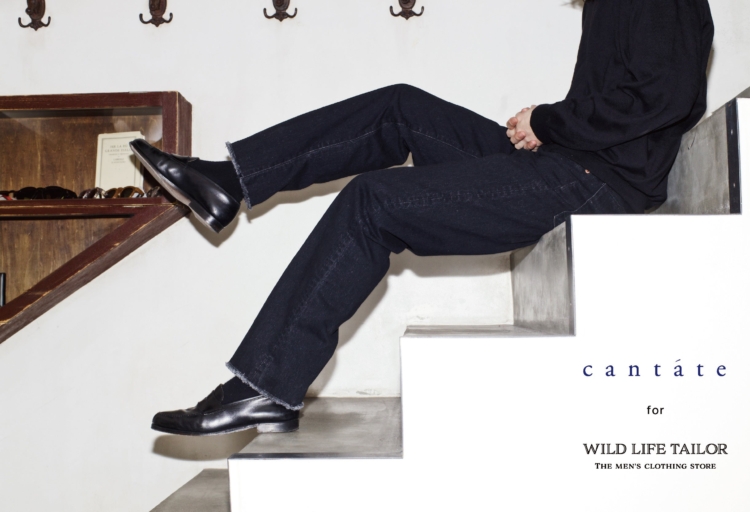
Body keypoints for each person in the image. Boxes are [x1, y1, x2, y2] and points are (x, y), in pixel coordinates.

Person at [130, 0, 714, 436]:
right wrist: (547, 127)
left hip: (595, 182)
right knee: (399, 107)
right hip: (571, 162)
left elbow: (665, 97)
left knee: (373, 202)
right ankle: (228, 181)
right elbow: (631, 98)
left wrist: (549, 121)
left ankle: (265, 384)